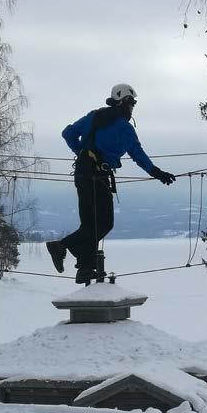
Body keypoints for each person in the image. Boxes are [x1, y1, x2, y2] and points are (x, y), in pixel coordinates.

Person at [45, 84, 177, 283]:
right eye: (132, 103)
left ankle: (85, 269)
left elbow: (68, 133)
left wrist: (82, 154)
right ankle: (61, 246)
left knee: (90, 224)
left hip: (82, 173)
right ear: (123, 102)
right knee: (104, 223)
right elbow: (137, 154)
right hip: (97, 176)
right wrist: (156, 172)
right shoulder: (124, 128)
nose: (133, 107)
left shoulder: (93, 116)